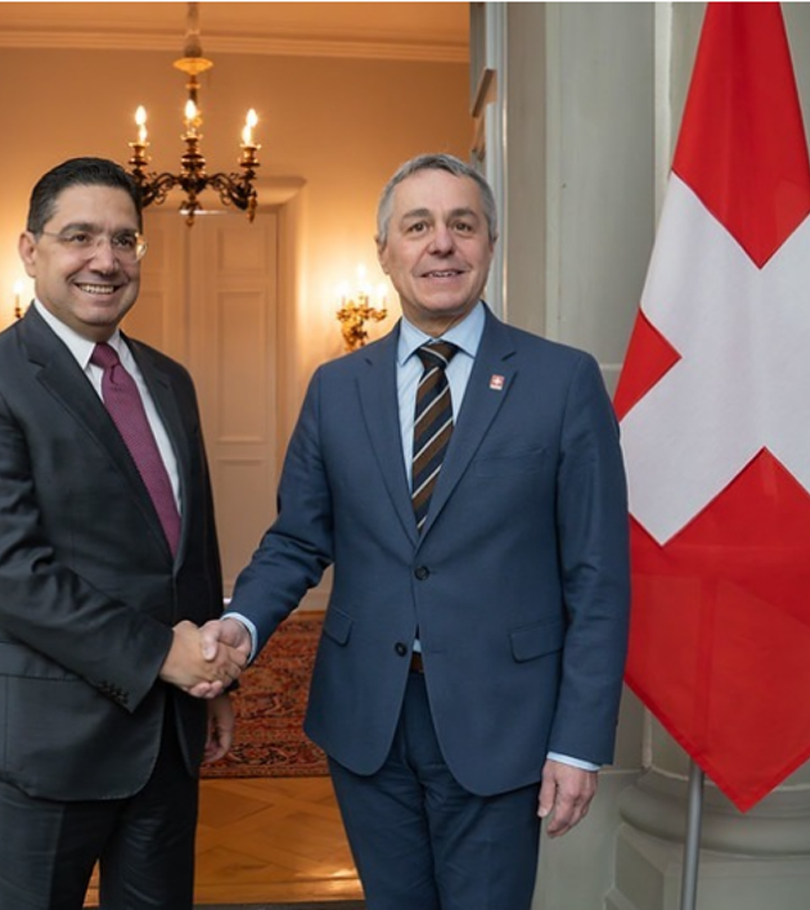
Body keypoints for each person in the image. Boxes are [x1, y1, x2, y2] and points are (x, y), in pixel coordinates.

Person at [201, 153, 631, 910]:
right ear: (385, 252)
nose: (441, 244)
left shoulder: (562, 381)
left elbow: (597, 577)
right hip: (367, 716)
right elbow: (299, 538)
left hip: (504, 717)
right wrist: (242, 623)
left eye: (462, 225)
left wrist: (578, 740)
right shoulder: (337, 388)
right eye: (418, 226)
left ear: (489, 243)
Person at [0, 157, 245, 910]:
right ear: (30, 250)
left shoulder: (169, 380)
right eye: (79, 237)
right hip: (43, 747)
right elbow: (12, 574)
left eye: (124, 239)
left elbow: (190, 551)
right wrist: (161, 655)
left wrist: (212, 678)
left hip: (167, 737)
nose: (106, 259)